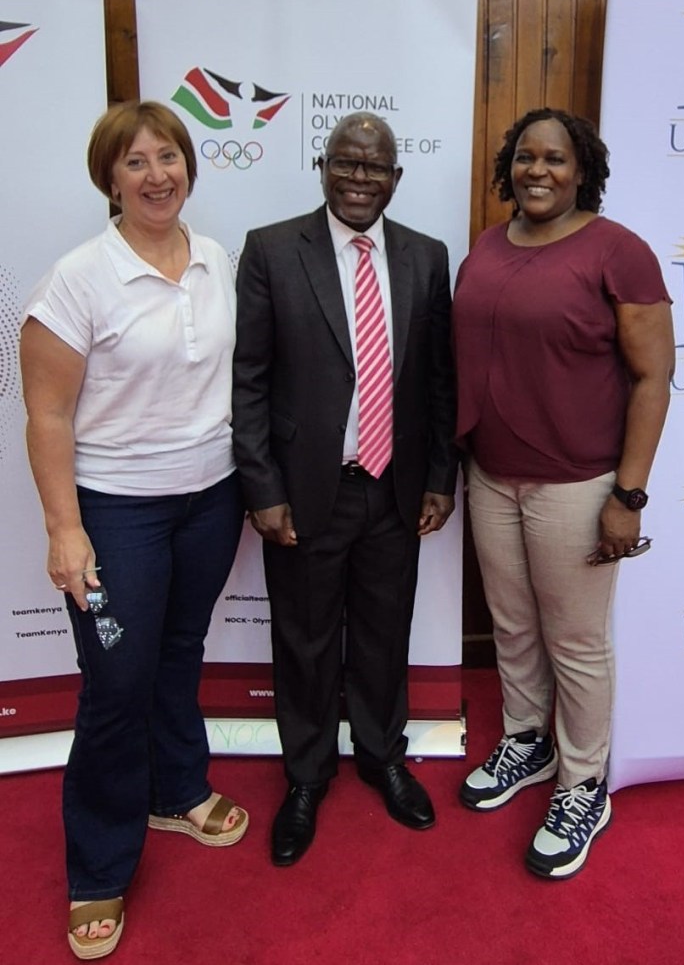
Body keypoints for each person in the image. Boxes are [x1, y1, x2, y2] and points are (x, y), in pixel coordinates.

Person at [20, 100, 248, 960]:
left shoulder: (217, 259)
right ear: (109, 180)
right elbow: (47, 415)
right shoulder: (78, 279)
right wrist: (65, 529)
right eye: (136, 162)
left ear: (189, 165)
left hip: (210, 499)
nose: (158, 175)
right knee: (116, 684)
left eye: (169, 157)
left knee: (178, 651)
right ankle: (98, 869)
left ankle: (176, 790)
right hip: (117, 510)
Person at [453, 108, 674, 880]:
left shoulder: (618, 251)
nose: (536, 170)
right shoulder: (487, 246)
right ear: (508, 166)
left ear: (582, 170)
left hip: (577, 484)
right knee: (513, 625)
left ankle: (583, 781)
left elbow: (653, 377)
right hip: (491, 474)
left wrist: (628, 496)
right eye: (524, 156)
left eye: (554, 158)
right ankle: (527, 739)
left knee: (575, 641)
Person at [232, 111, 457, 867]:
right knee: (304, 639)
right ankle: (305, 776)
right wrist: (262, 486)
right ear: (323, 167)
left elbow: (439, 378)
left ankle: (382, 755)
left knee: (385, 633)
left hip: (394, 489)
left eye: (375, 167)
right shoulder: (272, 250)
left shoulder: (426, 256)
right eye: (346, 163)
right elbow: (249, 378)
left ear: (396, 178)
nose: (360, 178)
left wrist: (439, 476)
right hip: (304, 490)